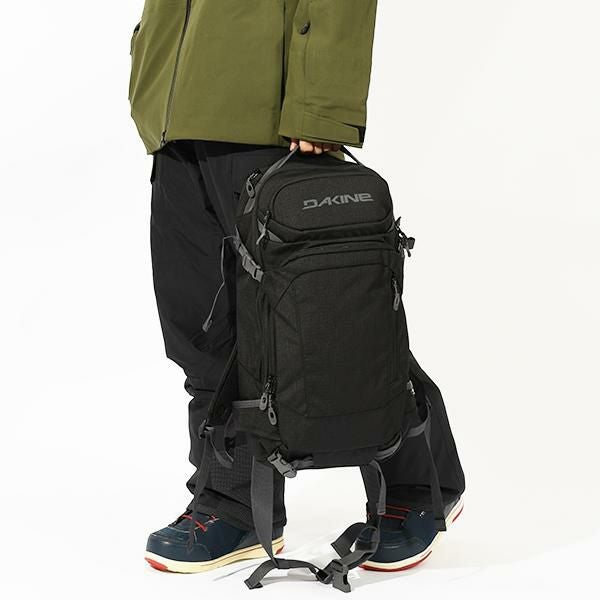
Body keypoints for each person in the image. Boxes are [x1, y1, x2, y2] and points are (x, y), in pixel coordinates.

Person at [128, 0, 465, 575]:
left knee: (326, 321)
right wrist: (149, 63)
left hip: (267, 109)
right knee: (202, 330)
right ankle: (233, 502)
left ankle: (417, 485)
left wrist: (322, 104)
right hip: (175, 116)